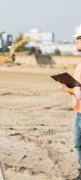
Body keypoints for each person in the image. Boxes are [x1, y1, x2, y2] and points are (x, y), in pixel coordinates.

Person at [59, 24, 81, 180]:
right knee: (78, 144)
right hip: (79, 111)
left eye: (79, 38)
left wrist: (67, 89)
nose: (76, 41)